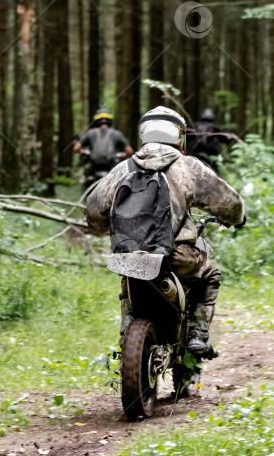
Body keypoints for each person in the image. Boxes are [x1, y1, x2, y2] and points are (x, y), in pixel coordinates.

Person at [86, 106, 245, 354]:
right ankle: (197, 335)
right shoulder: (188, 167)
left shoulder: (122, 169)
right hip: (177, 255)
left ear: (143, 133)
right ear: (178, 136)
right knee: (210, 274)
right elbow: (230, 204)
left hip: (127, 255)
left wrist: (105, 228)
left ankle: (126, 336)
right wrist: (237, 218)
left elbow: (94, 214)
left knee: (129, 286)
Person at [74, 107, 133, 191]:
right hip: (111, 168)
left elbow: (76, 148)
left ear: (96, 121)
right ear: (110, 120)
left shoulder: (90, 133)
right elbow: (129, 151)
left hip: (93, 169)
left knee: (86, 181)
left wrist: (81, 151)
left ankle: (85, 199)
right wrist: (123, 156)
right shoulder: (117, 134)